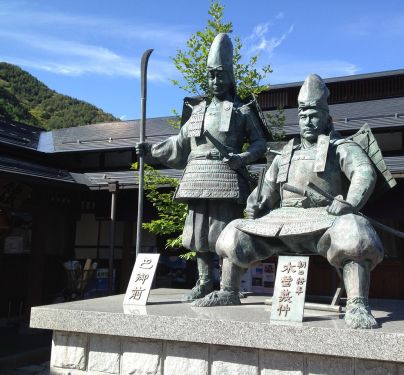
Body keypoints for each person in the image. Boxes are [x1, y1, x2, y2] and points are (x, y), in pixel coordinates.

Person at [194, 74, 385, 329]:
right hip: (282, 221)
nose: (308, 121)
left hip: (323, 220)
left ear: (327, 118)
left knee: (355, 231)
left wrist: (350, 202)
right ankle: (229, 291)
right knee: (234, 230)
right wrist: (257, 203)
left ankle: (357, 304)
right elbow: (267, 188)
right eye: (303, 116)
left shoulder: (341, 147)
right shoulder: (286, 153)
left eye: (314, 115)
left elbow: (364, 172)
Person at [136, 33, 267, 301]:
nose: (215, 81)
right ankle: (205, 281)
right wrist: (150, 149)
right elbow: (179, 143)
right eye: (211, 75)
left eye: (220, 75)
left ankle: (228, 285)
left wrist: (241, 159)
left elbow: (259, 144)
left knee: (224, 232)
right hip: (197, 177)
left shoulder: (242, 110)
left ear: (229, 76)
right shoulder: (198, 111)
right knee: (198, 234)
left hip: (225, 176)